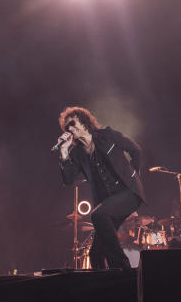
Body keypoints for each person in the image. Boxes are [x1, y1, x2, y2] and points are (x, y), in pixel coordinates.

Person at [57, 107, 144, 269]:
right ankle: (108, 288)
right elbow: (68, 179)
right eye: (67, 126)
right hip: (108, 202)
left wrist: (134, 176)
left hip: (128, 192)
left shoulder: (107, 135)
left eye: (73, 123)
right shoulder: (76, 153)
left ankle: (123, 269)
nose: (70, 128)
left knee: (98, 214)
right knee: (95, 254)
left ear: (84, 123)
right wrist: (63, 152)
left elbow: (135, 150)